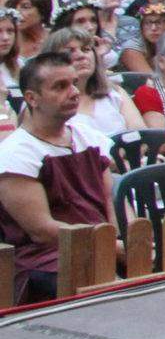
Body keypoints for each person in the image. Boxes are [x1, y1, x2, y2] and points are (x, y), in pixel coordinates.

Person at [0, 51, 116, 302]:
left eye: (74, 83)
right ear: (32, 98)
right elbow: (42, 230)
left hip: (100, 246)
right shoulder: (16, 155)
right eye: (60, 86)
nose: (74, 92)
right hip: (47, 260)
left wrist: (117, 241)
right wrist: (104, 245)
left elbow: (109, 203)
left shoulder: (89, 138)